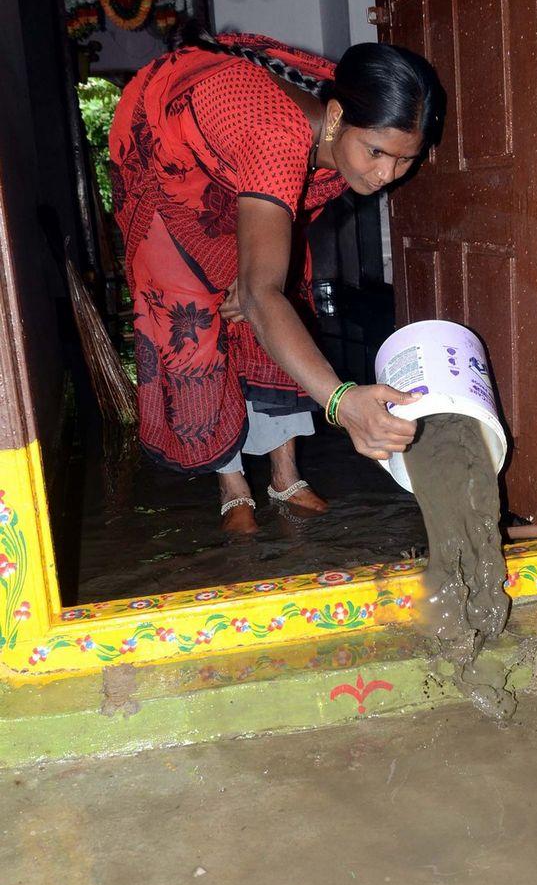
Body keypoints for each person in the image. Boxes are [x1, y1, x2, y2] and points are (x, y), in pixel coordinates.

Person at [109, 30, 444, 535]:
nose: (387, 175)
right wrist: (343, 401)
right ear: (335, 120)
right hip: (172, 171)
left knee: (273, 304)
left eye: (405, 158)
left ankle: (283, 476)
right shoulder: (275, 139)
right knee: (198, 322)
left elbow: (265, 289)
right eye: (377, 152)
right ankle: (232, 483)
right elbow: (262, 291)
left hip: (246, 169)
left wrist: (258, 289)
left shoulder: (335, 145)